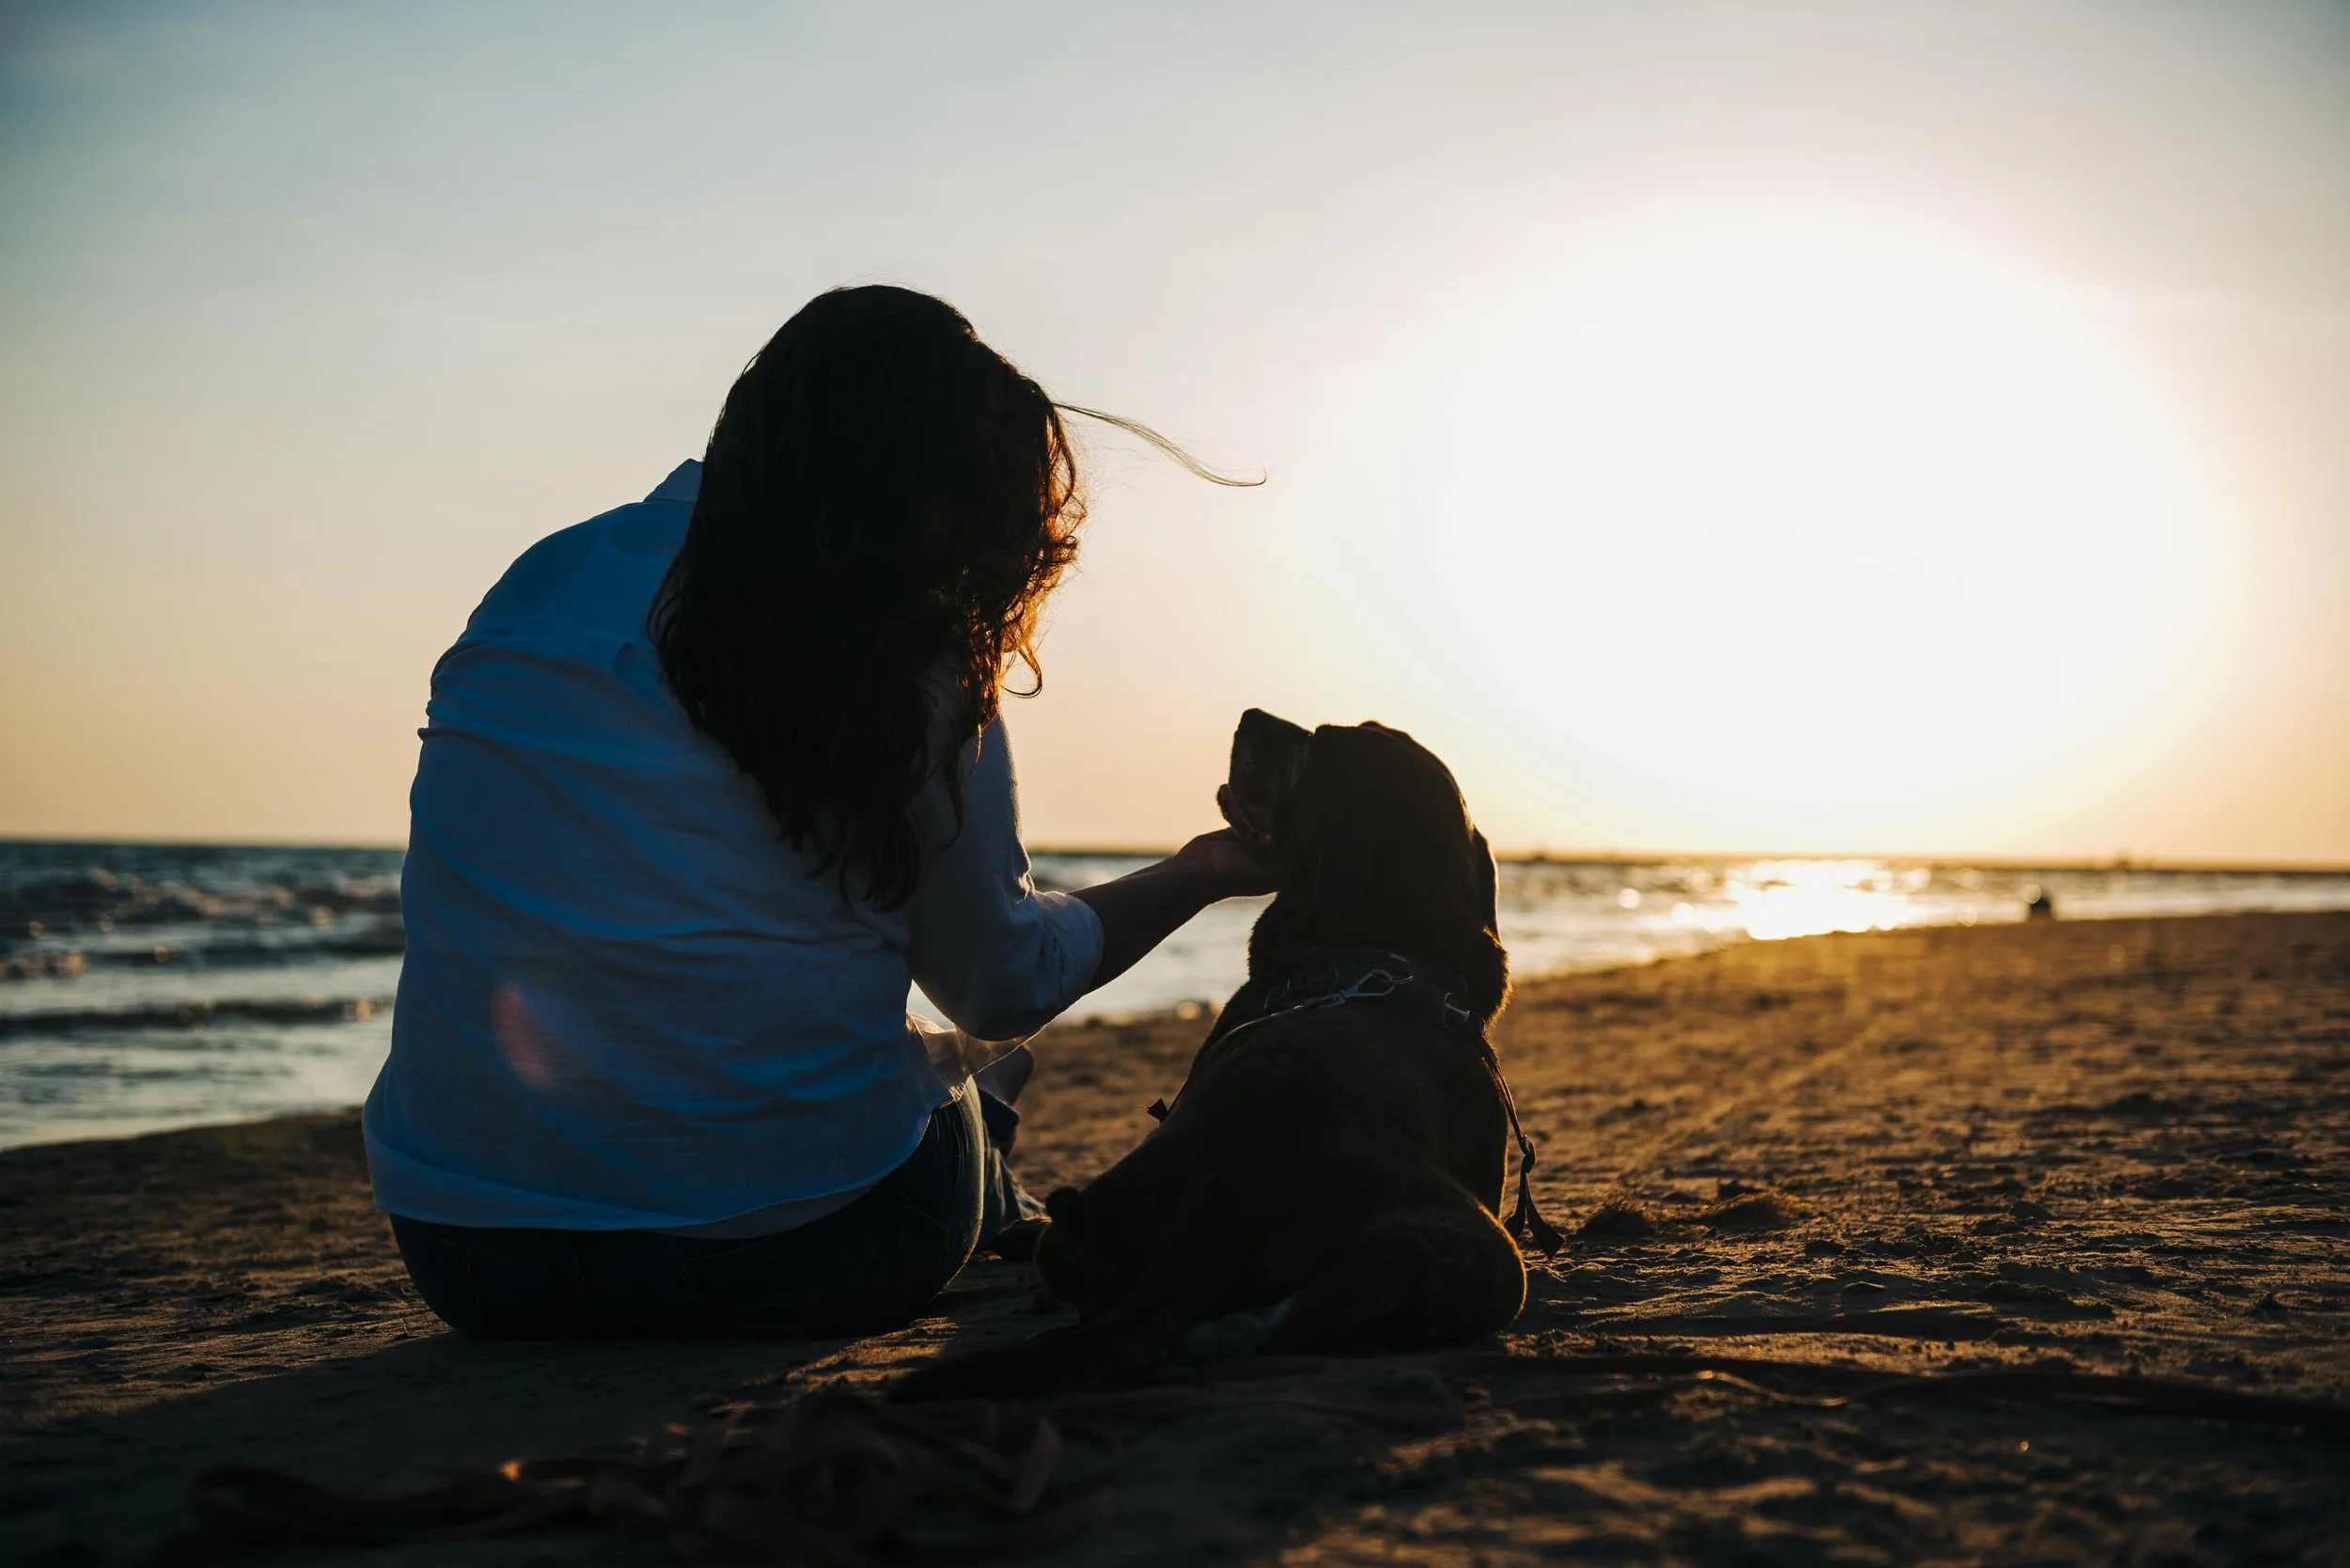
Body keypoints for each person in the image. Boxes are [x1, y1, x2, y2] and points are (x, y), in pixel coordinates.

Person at [365, 286, 1271, 1339]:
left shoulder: (542, 579)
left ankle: (972, 1117)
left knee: (936, 1075)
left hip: (469, 1254)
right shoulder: (907, 652)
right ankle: (981, 1132)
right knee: (964, 1083)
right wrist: (1203, 871)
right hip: (796, 1247)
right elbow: (1001, 983)